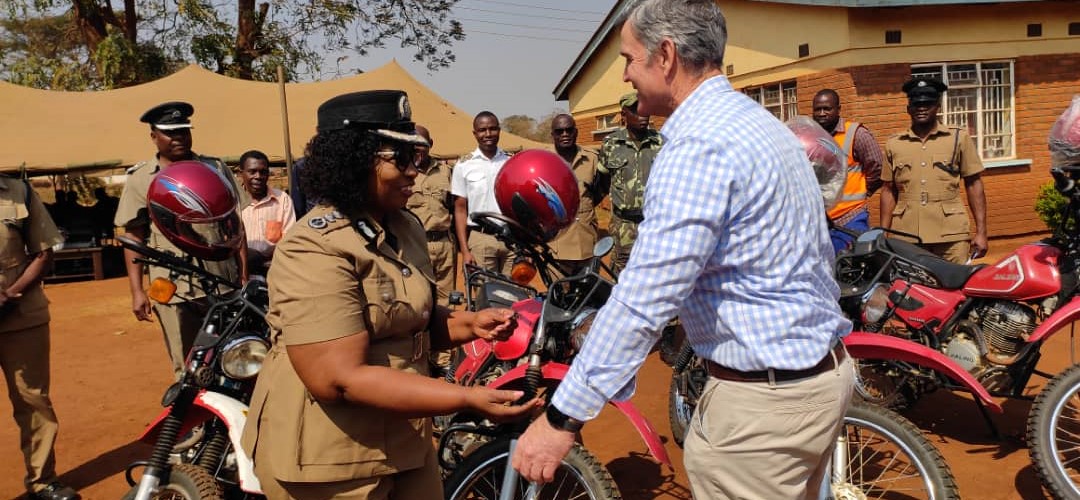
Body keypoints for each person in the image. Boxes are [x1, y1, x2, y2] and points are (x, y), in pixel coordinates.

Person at [511, 2, 853, 498]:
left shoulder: (697, 147)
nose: (625, 74)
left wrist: (562, 417)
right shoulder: (762, 126)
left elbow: (643, 301)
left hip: (762, 411)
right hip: (820, 379)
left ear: (665, 55)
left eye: (629, 58)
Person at [239, 90, 540, 500]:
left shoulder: (405, 227)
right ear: (356, 160)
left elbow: (410, 318)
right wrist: (466, 398)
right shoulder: (313, 247)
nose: (414, 171)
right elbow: (339, 378)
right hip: (332, 459)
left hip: (404, 439)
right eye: (400, 159)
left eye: (415, 157)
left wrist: (471, 324)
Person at [114, 101, 248, 380]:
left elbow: (236, 226)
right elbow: (133, 237)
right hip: (174, 287)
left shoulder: (214, 168)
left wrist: (244, 275)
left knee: (232, 354)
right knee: (186, 363)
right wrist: (137, 291)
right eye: (171, 132)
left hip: (222, 280)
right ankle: (194, 421)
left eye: (184, 131)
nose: (179, 138)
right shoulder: (141, 179)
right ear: (154, 136)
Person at [0, 177, 80, 500]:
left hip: (21, 316)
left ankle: (42, 479)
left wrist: (11, 294)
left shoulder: (19, 192)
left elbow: (45, 252)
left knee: (33, 401)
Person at [881, 77, 989, 263]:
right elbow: (888, 191)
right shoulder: (894, 144)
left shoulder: (958, 138)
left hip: (951, 235)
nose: (921, 108)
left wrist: (981, 232)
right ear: (908, 109)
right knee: (910, 289)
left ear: (938, 107)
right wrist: (883, 234)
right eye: (916, 104)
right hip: (907, 235)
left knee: (955, 287)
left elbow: (974, 184)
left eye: (928, 103)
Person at [404, 125, 458, 375]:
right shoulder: (404, 172)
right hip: (414, 244)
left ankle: (442, 357)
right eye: (413, 144)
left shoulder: (446, 171)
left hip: (444, 245)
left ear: (430, 144)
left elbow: (456, 208)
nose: (418, 149)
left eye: (422, 144)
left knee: (446, 301)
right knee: (417, 301)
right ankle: (418, 355)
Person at [595, 91, 663, 274]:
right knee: (623, 277)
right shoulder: (611, 144)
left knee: (655, 273)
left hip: (654, 223)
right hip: (624, 226)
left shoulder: (660, 142)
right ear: (624, 115)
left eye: (644, 108)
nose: (642, 114)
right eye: (635, 110)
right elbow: (602, 181)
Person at [812, 89, 885, 253]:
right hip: (820, 221)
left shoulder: (856, 134)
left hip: (849, 217)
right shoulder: (810, 136)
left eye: (827, 108)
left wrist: (863, 190)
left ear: (838, 109)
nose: (822, 113)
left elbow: (878, 168)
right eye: (817, 109)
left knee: (849, 269)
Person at [547, 114, 602, 274]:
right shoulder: (545, 160)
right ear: (553, 135)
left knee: (589, 295)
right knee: (559, 296)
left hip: (586, 240)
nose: (565, 134)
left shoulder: (591, 159)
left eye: (569, 130)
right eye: (559, 131)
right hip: (556, 244)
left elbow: (598, 192)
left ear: (576, 132)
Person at [238, 150, 296, 275]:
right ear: (241, 173)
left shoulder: (282, 199)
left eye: (263, 172)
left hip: (274, 268)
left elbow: (289, 239)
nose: (258, 176)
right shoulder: (233, 201)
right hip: (240, 269)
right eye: (252, 172)